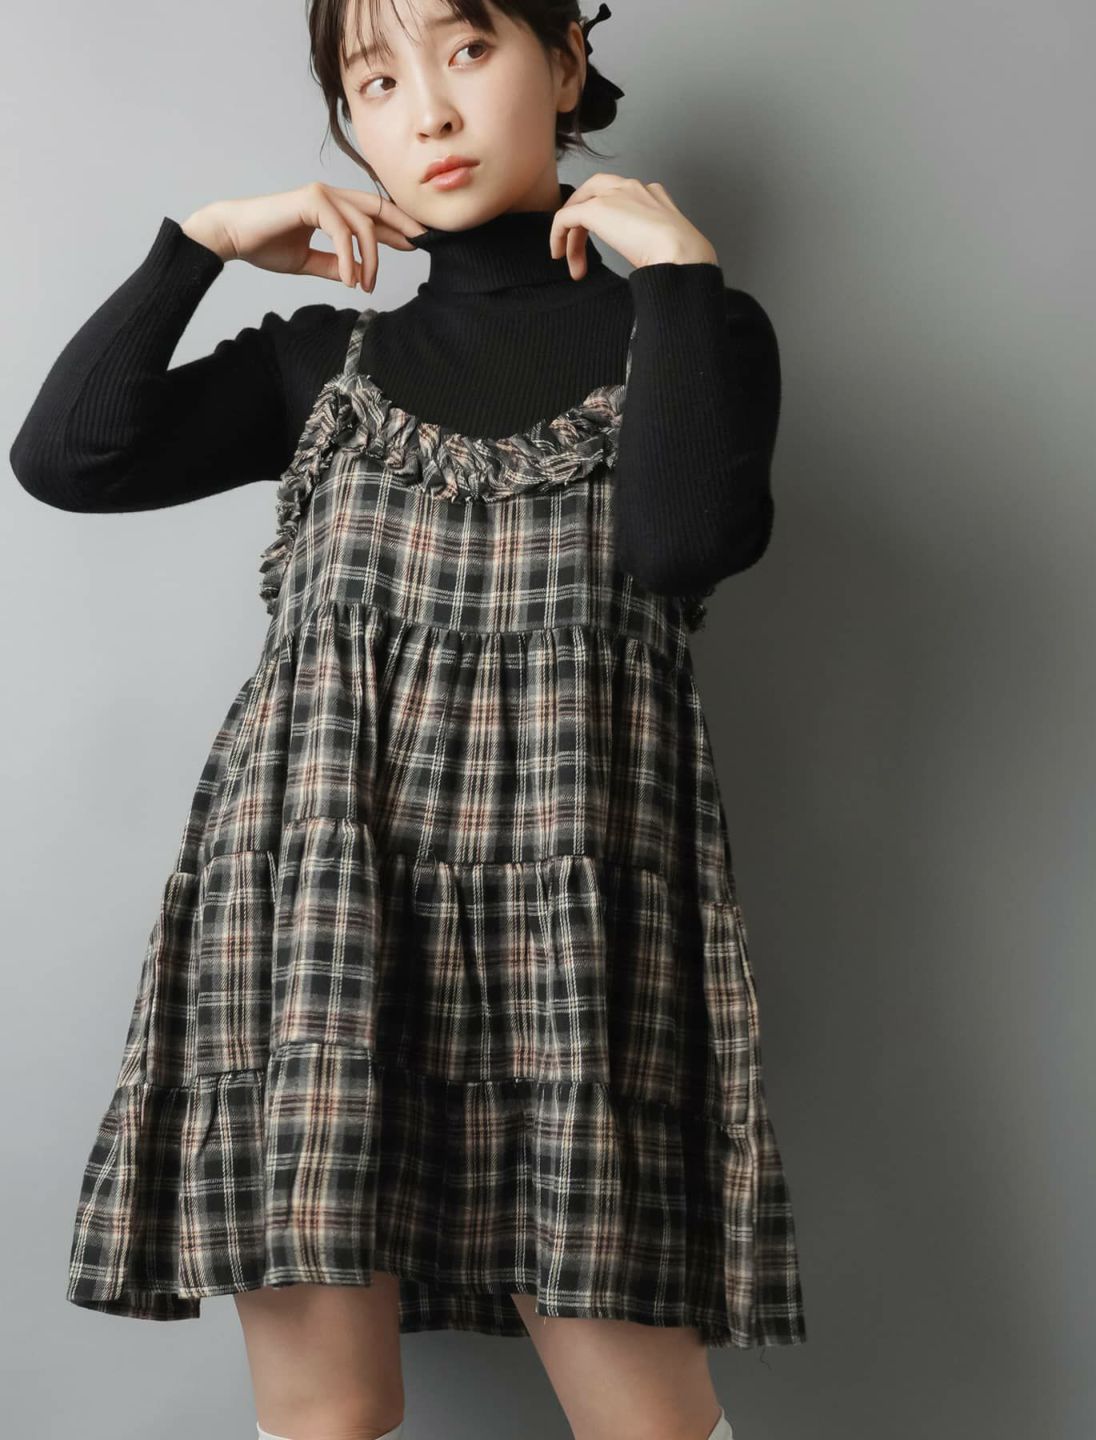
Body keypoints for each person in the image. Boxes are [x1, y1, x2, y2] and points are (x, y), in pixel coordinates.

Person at [12, 2, 807, 1437]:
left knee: (649, 1420)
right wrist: (200, 245)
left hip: (573, 930)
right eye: (374, 82)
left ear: (566, 62)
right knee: (325, 1416)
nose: (427, 110)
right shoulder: (322, 364)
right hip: (316, 917)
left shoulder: (694, 329)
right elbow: (68, 455)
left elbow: (683, 543)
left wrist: (683, 277)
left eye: (467, 50)